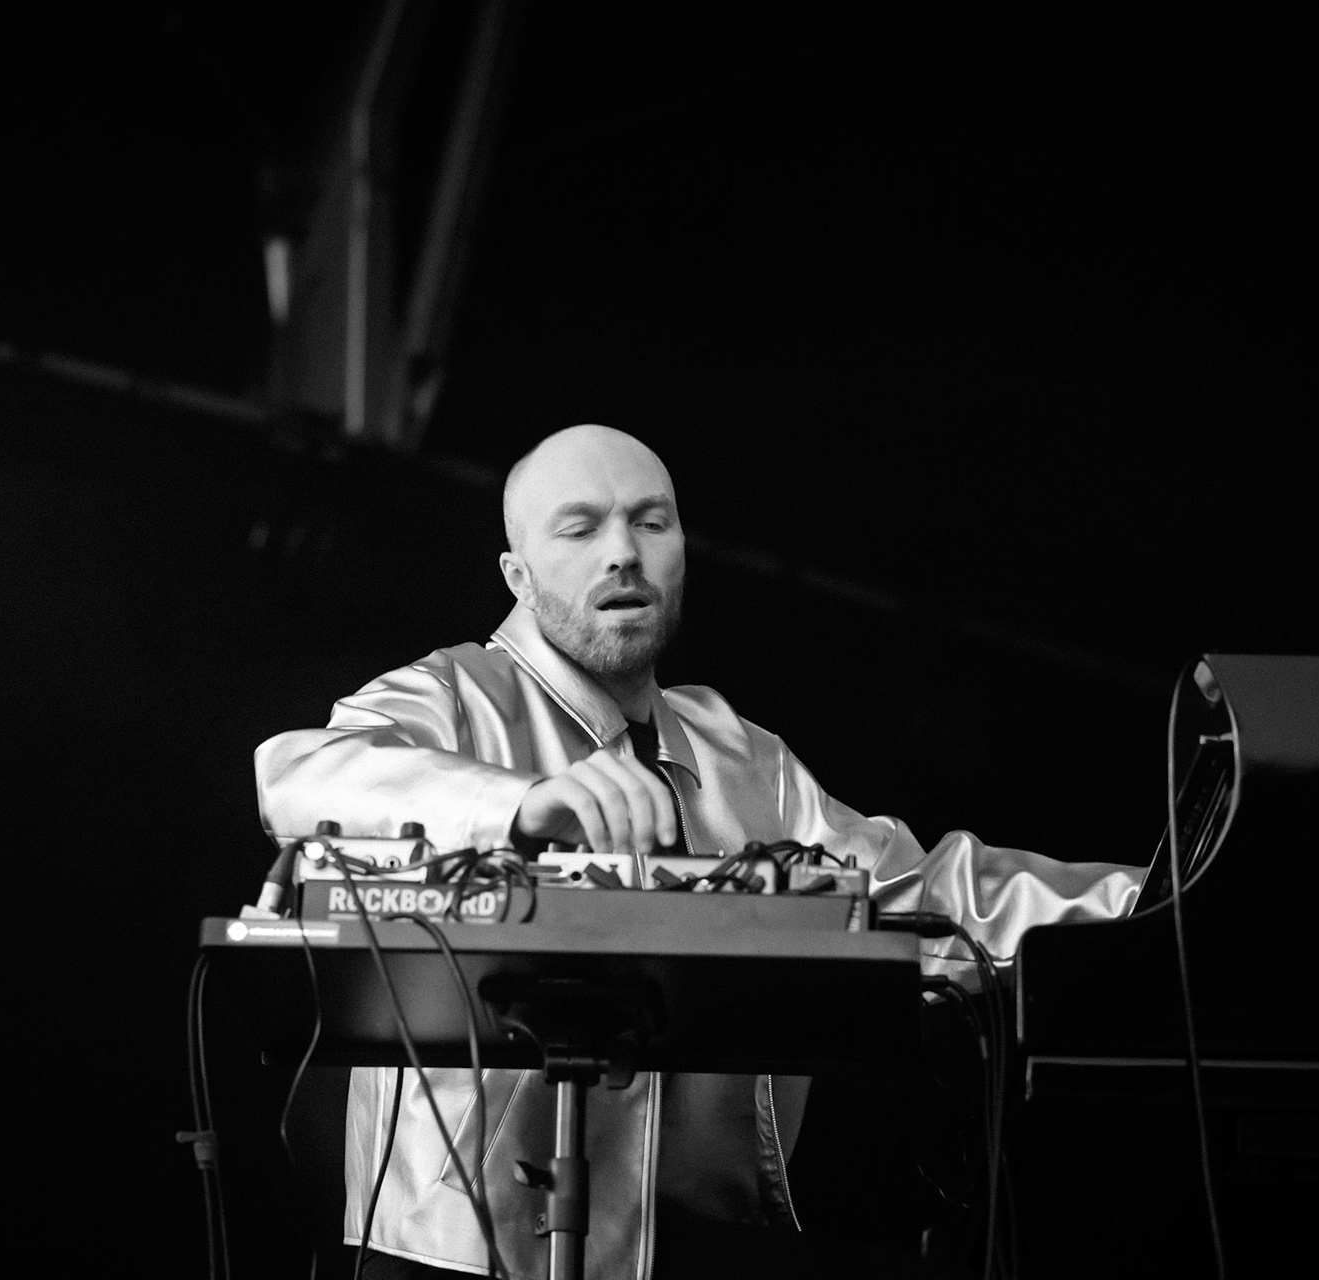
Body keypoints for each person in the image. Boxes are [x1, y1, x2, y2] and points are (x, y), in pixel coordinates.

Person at [253, 424, 1141, 1279]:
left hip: (703, 1241)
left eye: (651, 521)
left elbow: (922, 892)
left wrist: (1156, 899)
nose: (624, 553)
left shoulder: (735, 749)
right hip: (466, 1253)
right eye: (581, 527)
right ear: (518, 575)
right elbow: (295, 774)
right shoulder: (450, 692)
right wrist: (522, 804)